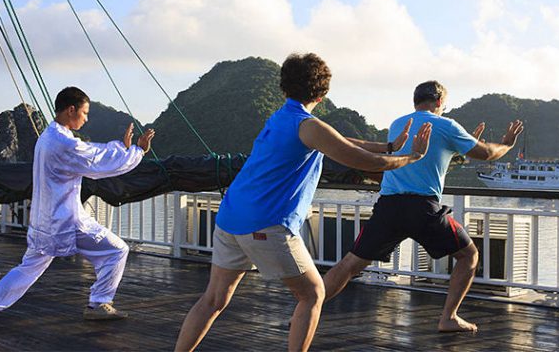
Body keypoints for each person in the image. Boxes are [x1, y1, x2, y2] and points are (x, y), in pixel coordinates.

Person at [175, 53, 432, 352]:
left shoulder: (282, 117)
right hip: (266, 224)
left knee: (213, 299)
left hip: (231, 218)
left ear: (284, 87)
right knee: (312, 294)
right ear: (323, 94)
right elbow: (360, 158)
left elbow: (340, 139)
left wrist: (389, 145)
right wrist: (411, 157)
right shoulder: (307, 126)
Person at [323, 80, 524, 333]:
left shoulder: (399, 124)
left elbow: (427, 161)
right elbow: (485, 153)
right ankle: (448, 317)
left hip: (389, 206)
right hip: (422, 208)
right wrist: (506, 143)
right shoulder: (446, 124)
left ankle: (308, 308)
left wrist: (460, 146)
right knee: (469, 255)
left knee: (350, 264)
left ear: (415, 101)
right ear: (440, 102)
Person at [0, 86, 155, 329]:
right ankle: (98, 303)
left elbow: (91, 153)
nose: (86, 118)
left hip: (45, 220)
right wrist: (136, 151)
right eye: (84, 113)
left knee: (28, 269)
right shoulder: (62, 143)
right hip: (65, 220)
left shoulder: (50, 136)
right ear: (71, 109)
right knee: (117, 251)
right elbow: (96, 161)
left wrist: (121, 149)